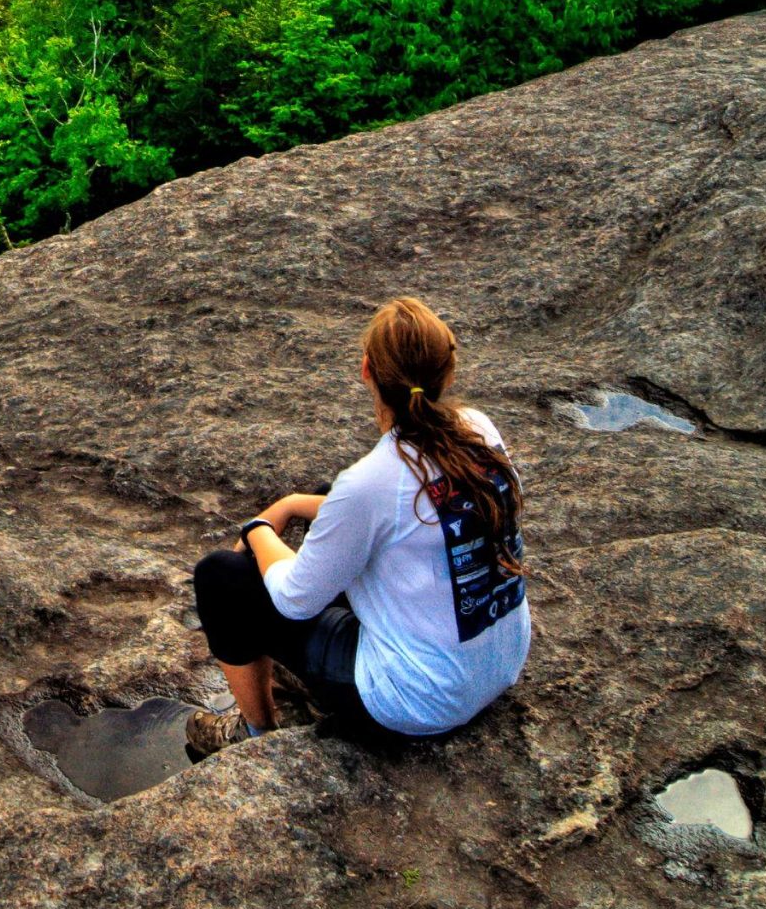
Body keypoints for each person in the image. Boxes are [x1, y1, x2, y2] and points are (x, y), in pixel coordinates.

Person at [187, 296, 530, 756]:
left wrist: (257, 529)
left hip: (416, 701)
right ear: (447, 371)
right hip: (497, 663)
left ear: (367, 369)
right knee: (334, 509)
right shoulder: (477, 428)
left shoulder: (370, 482)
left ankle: (256, 737)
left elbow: (294, 599)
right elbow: (398, 507)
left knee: (220, 577)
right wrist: (295, 504)